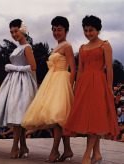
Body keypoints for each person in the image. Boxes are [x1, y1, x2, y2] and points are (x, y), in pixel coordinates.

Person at [64, 15, 119, 164]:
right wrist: (77, 88)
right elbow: (80, 71)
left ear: (98, 30)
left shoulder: (105, 45)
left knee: (95, 119)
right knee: (89, 121)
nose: (88, 33)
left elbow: (109, 68)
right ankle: (97, 154)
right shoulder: (82, 47)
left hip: (100, 85)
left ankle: (87, 155)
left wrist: (109, 87)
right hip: (85, 85)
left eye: (91, 30)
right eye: (86, 30)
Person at [21, 16, 76, 162]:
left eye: (59, 29)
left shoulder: (67, 46)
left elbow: (73, 69)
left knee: (58, 118)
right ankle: (68, 150)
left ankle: (54, 151)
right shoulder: (56, 48)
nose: (56, 32)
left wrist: (69, 87)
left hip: (62, 82)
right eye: (54, 29)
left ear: (66, 30)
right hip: (51, 82)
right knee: (58, 118)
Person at [0, 19, 37, 159]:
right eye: (12, 32)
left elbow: (33, 67)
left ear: (22, 30)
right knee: (17, 114)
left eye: (16, 31)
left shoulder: (27, 47)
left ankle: (15, 146)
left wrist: (13, 67)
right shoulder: (17, 48)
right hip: (13, 81)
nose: (14, 34)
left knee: (18, 113)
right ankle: (23, 146)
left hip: (22, 83)